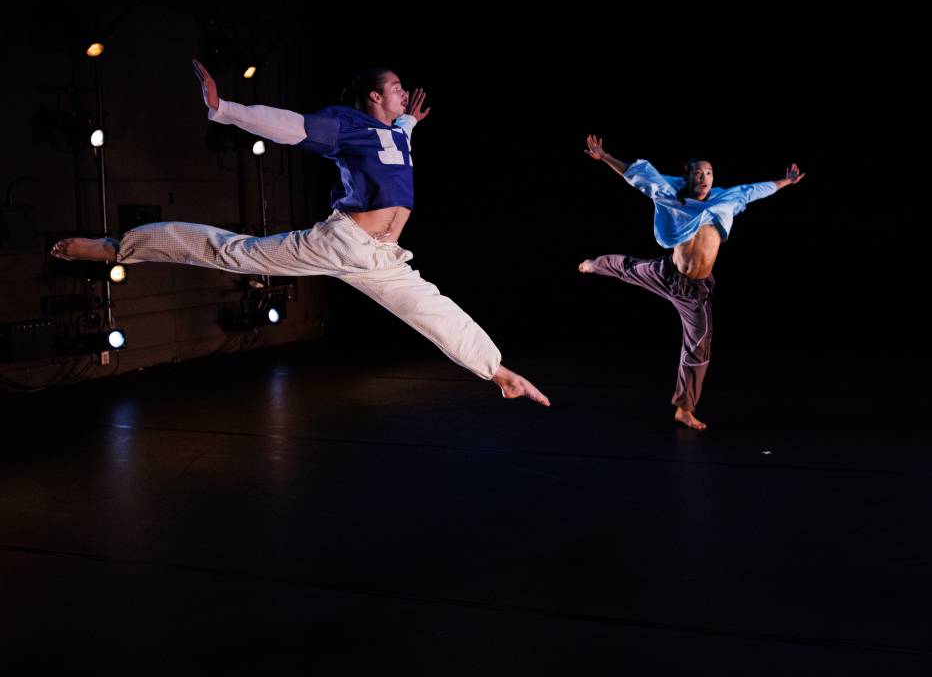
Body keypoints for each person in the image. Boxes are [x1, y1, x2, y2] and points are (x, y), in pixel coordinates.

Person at [51, 60, 549, 405]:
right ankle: (121, 247)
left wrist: (411, 121)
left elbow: (403, 134)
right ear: (374, 96)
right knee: (234, 253)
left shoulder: (398, 130)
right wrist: (225, 109)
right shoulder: (348, 126)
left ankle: (499, 373)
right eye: (396, 87)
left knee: (432, 308)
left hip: (383, 256)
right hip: (344, 241)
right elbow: (289, 126)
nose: (405, 92)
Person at [578, 136, 803, 430]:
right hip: (668, 274)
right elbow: (637, 177)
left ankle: (684, 408)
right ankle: (593, 264)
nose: (704, 178)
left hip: (694, 292)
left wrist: (785, 182)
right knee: (627, 267)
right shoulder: (670, 192)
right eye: (698, 172)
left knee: (699, 346)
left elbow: (756, 191)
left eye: (709, 173)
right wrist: (605, 156)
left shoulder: (727, 199)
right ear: (687, 174)